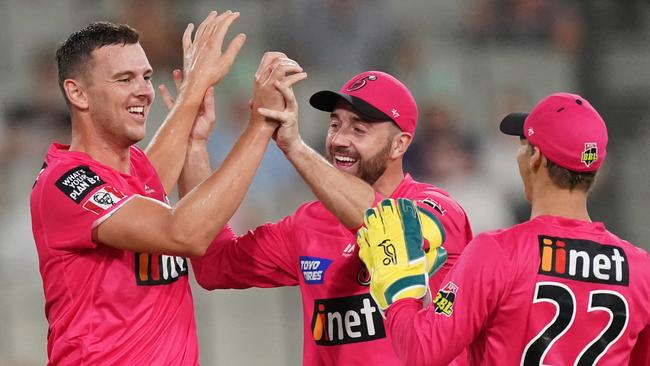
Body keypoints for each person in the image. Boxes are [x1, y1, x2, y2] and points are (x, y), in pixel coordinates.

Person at [29, 12, 306, 364]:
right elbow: (184, 233)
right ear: (78, 93)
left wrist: (193, 139)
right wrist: (261, 122)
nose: (144, 91)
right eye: (124, 79)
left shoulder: (136, 176)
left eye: (145, 76)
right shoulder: (65, 183)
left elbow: (163, 172)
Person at [189, 71, 473, 365]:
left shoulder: (436, 209)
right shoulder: (308, 223)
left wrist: (295, 148)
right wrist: (194, 145)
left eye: (359, 130)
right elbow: (212, 263)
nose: (338, 140)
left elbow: (388, 226)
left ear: (399, 145)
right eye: (335, 125)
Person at [358, 92, 650, 365]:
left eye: (523, 143)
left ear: (535, 157)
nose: (519, 153)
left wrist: (399, 290)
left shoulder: (498, 253)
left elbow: (422, 350)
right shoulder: (641, 270)